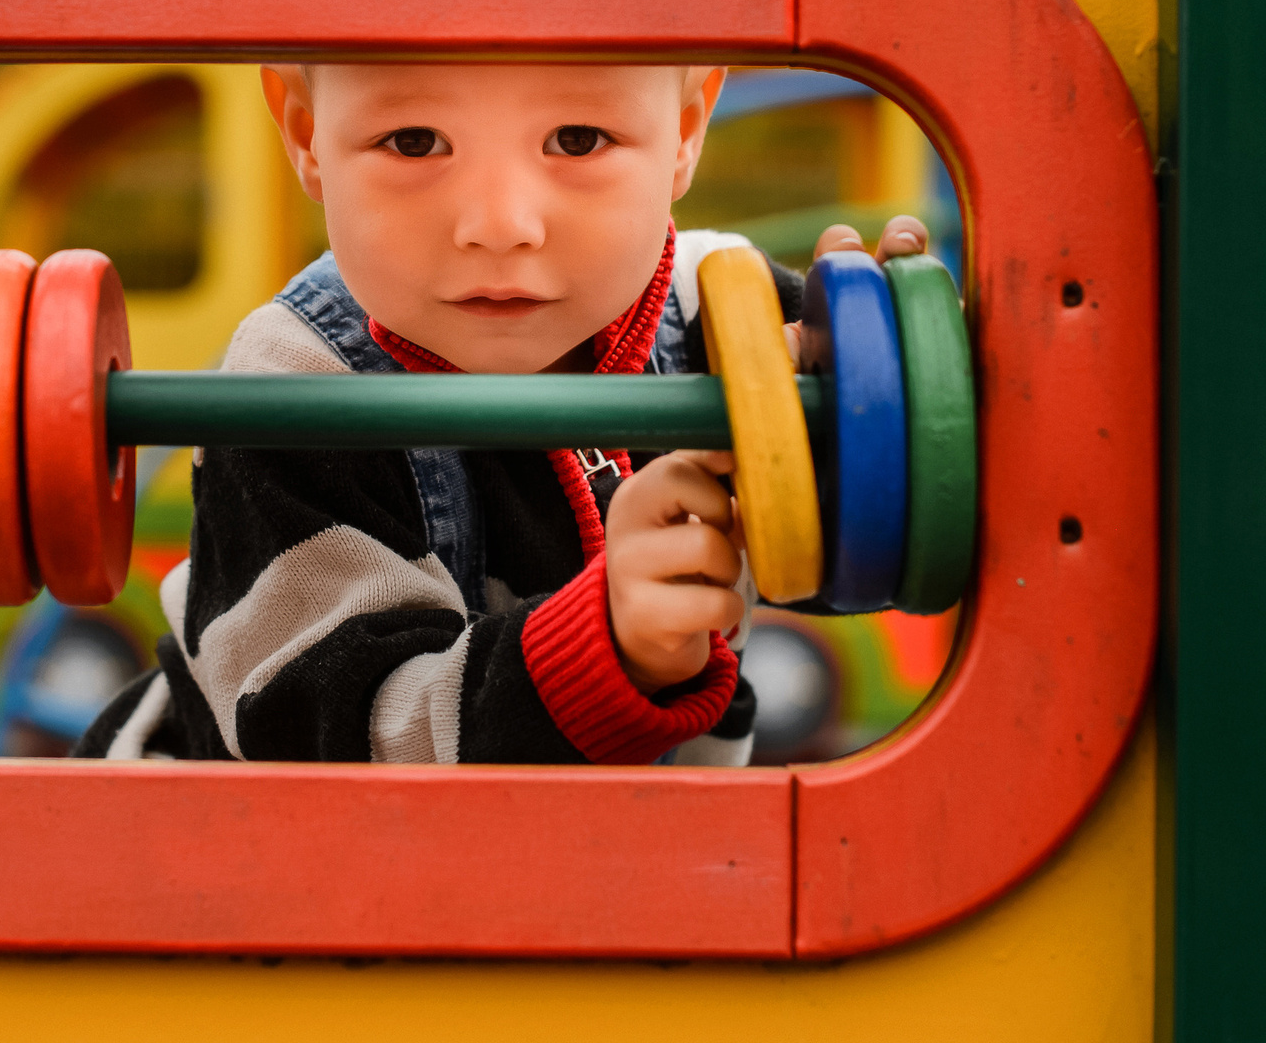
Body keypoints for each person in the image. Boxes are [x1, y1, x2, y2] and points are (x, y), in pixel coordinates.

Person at [75, 63, 928, 765]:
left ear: (688, 124)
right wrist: (602, 647)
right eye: (414, 142)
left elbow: (883, 540)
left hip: (620, 883)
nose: (499, 226)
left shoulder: (725, 314)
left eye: (578, 140)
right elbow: (325, 754)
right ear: (305, 133)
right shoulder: (296, 383)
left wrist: (891, 383)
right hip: (243, 890)